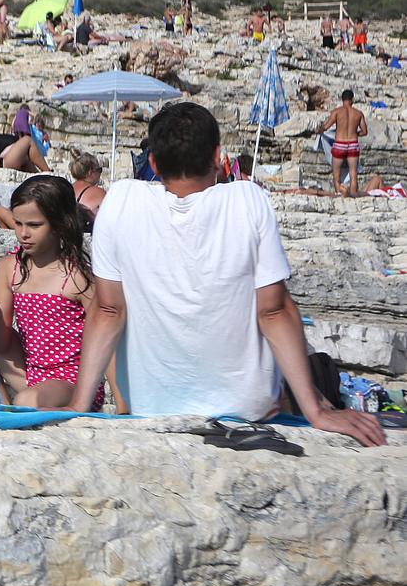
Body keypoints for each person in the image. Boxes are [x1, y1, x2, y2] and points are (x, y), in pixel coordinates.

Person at [70, 102, 384, 446]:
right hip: (246, 406)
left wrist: (78, 407)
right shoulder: (248, 200)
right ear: (218, 157)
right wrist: (316, 411)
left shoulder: (121, 200)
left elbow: (108, 310)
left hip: (152, 405)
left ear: (154, 163)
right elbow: (274, 311)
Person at [0, 176, 115, 410]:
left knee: (27, 400)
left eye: (34, 225)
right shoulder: (9, 268)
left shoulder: (77, 277)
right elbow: (2, 341)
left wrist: (122, 405)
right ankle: (0, 402)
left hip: (71, 381)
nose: (23, 233)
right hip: (30, 370)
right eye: (18, 223)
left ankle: (19, 406)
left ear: (60, 224)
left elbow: (106, 336)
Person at [317, 88, 368, 197]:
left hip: (340, 144)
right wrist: (355, 134)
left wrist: (319, 131)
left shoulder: (336, 112)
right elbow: (364, 132)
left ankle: (339, 195)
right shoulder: (358, 114)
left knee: (336, 174)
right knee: (353, 173)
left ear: (342, 99)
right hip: (353, 144)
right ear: (352, 99)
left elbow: (326, 127)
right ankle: (353, 195)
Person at [69, 152, 106, 225]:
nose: (100, 174)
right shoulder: (99, 193)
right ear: (90, 172)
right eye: (99, 170)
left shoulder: (66, 188)